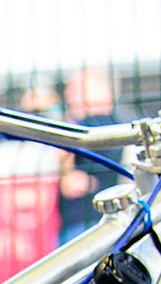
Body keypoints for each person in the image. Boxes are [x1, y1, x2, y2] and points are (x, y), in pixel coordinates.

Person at [56, 67, 123, 245]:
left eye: (77, 89)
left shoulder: (89, 126)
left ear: (105, 92)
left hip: (84, 221)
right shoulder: (118, 124)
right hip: (98, 219)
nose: (69, 95)